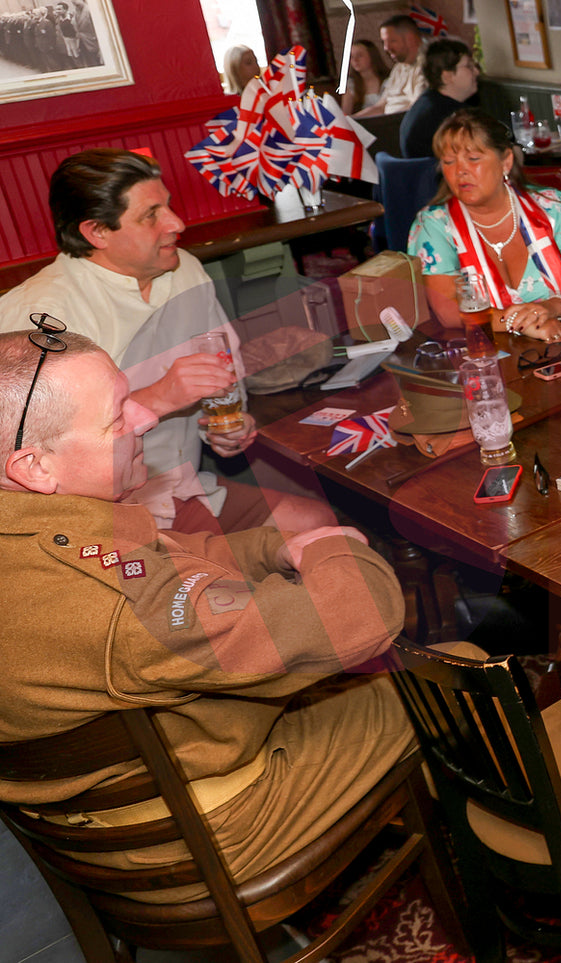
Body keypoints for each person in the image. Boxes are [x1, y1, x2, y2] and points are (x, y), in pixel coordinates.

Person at [0, 327, 415, 904]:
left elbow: (165, 567)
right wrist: (330, 546)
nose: (143, 419)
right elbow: (361, 617)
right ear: (35, 467)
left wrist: (274, 547)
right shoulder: (116, 603)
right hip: (188, 838)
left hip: (78, 818)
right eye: (117, 418)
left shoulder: (37, 531)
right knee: (446, 685)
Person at [0, 148, 333, 536]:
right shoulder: (37, 316)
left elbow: (224, 376)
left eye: (168, 206)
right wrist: (161, 395)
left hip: (184, 491)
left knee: (319, 529)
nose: (177, 223)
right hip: (99, 525)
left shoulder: (185, 268)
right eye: (150, 216)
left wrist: (224, 428)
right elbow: (39, 458)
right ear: (96, 232)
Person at [406, 109, 561, 363]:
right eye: (449, 161)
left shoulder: (552, 208)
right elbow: (449, 311)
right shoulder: (433, 225)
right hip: (491, 354)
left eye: (473, 158)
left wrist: (549, 309)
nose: (460, 171)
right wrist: (525, 324)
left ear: (505, 162)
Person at [400, 38, 479, 159]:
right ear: (447, 76)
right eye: (468, 66)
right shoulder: (453, 117)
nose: (476, 72)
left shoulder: (426, 102)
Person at [355, 14, 426, 118]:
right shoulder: (398, 68)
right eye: (384, 42)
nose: (386, 48)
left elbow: (418, 109)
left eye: (392, 41)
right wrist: (350, 121)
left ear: (410, 39)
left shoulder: (427, 66)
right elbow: (381, 106)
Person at [341, 38, 390, 115]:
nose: (355, 60)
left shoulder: (388, 80)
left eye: (359, 55)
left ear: (372, 56)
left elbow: (383, 108)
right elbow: (345, 113)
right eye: (351, 57)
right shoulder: (351, 84)